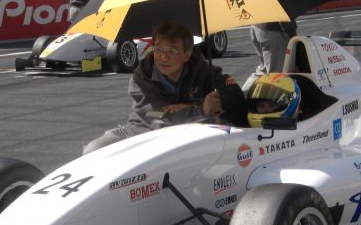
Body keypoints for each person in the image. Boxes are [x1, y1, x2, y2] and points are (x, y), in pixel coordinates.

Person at [83, 22, 247, 154]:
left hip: (191, 134)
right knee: (94, 150)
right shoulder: (142, 77)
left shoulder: (202, 69)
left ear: (187, 55)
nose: (163, 57)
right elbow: (156, 117)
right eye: (159, 50)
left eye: (172, 51)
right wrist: (199, 109)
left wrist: (210, 104)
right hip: (143, 132)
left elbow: (235, 96)